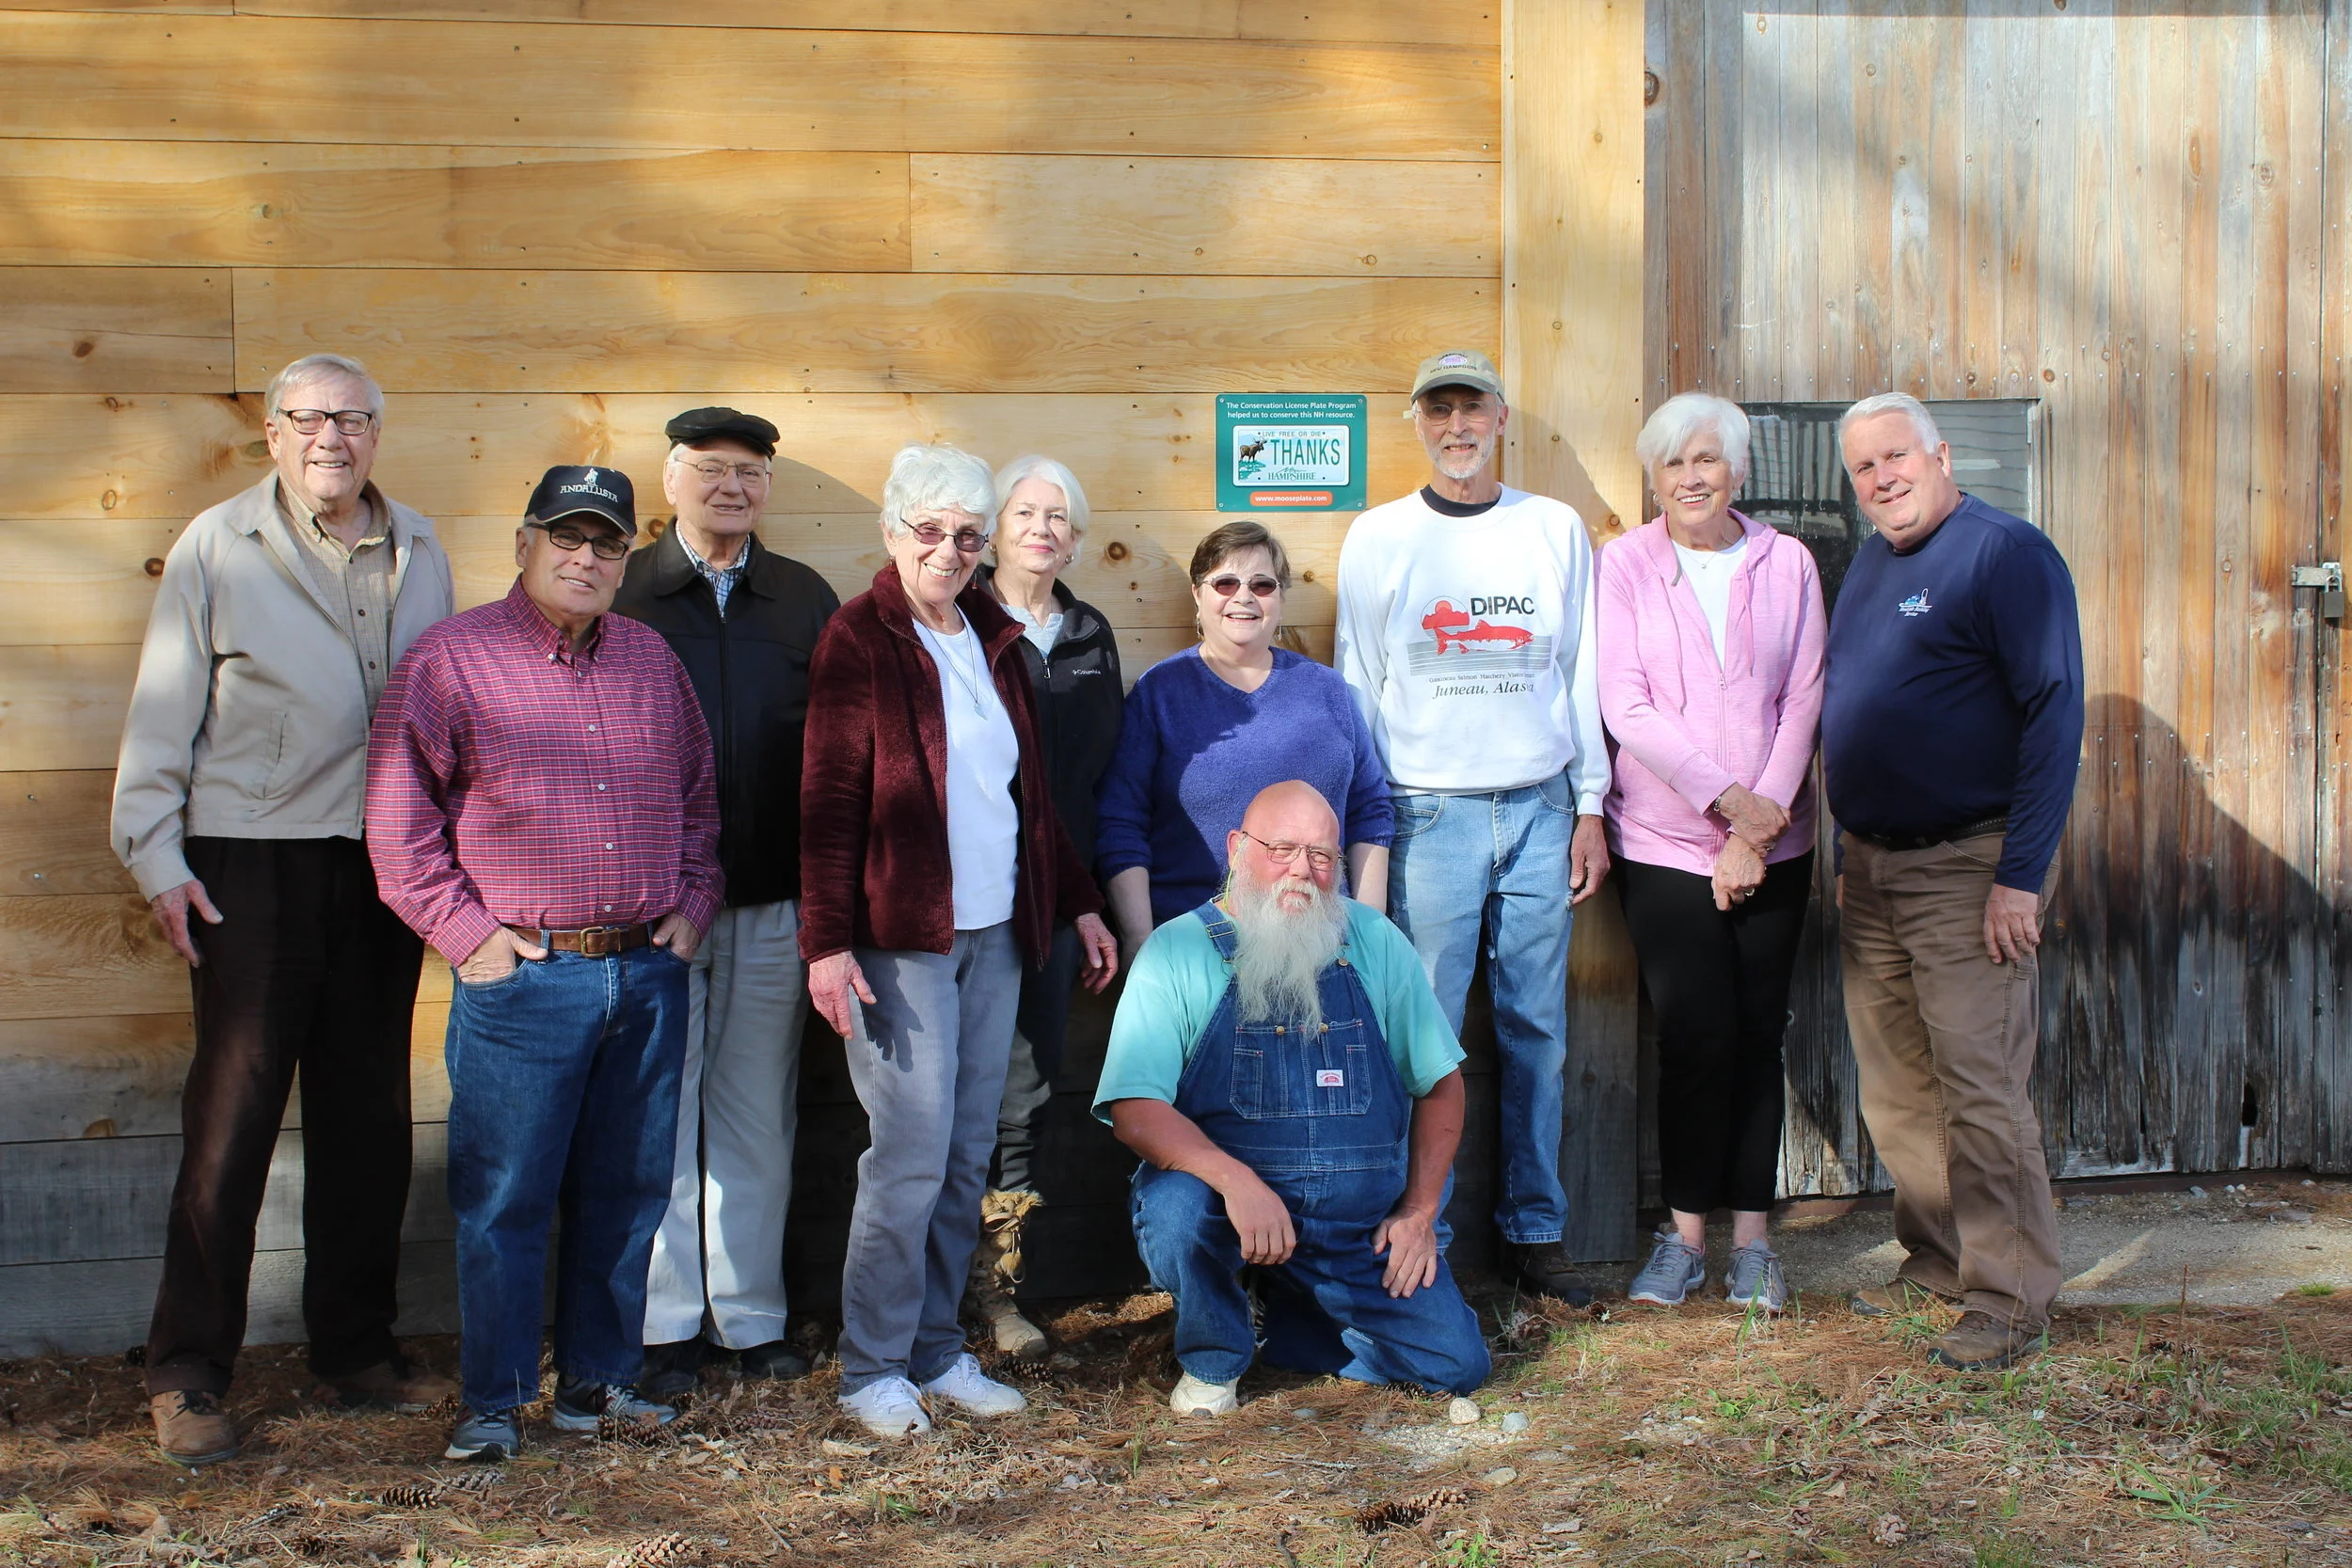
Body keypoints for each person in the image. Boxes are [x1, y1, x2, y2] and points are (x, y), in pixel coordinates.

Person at [110, 353, 457, 1465]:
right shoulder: (221, 543)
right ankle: (187, 1371)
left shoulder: (423, 547)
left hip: (384, 868)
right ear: (272, 433)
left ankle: (354, 1349)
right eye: (308, 419)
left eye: (352, 419)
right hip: (248, 866)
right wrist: (157, 856)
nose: (331, 439)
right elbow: (162, 712)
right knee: (233, 1118)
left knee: (368, 1119)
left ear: (374, 433)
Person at [367, 465, 722, 1460]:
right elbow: (398, 825)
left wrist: (695, 901)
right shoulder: (451, 659)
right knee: (505, 1194)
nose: (585, 557)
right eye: (565, 536)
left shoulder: (652, 660)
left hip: (647, 974)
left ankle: (597, 1387)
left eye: (606, 542)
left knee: (628, 1190)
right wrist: (466, 934)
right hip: (524, 980)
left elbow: (701, 797)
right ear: (524, 543)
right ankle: (496, 1398)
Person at [800, 444, 1119, 1440]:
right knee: (906, 1151)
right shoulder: (860, 638)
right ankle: (873, 1365)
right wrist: (826, 940)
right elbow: (828, 801)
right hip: (902, 940)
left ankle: (938, 1346)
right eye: (928, 530)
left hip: (996, 934)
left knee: (968, 1148)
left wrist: (1077, 899)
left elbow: (1029, 799)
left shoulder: (992, 632)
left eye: (966, 535)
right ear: (893, 531)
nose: (947, 549)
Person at [1334, 349, 1611, 1303]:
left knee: (1539, 1028)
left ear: (1501, 416)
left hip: (1538, 804)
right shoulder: (1378, 537)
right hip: (1426, 812)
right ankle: (1426, 1238)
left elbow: (1581, 672)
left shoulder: (1553, 528)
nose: (1457, 426)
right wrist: (1362, 826)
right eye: (1438, 409)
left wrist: (1587, 804)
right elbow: (1358, 687)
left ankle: (1535, 1231)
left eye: (1473, 407)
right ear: (1418, 421)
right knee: (1427, 1029)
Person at [1825, 392, 2084, 1371]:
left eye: (1895, 455)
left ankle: (2011, 1293)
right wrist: (1852, 855)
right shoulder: (1871, 566)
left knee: (1978, 1085)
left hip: (1970, 863)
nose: (1881, 477)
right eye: (1862, 468)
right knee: (1897, 1085)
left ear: (1938, 452)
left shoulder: (2003, 553)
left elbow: (2055, 710)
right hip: (1877, 868)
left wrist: (2020, 875)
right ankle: (1938, 1257)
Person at [1100, 782, 1488, 1415]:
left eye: (1322, 855)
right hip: (1230, 1214)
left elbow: (1442, 1083)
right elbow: (1134, 1107)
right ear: (1236, 848)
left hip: (1355, 1231)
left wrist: (1419, 1210)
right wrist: (1238, 1182)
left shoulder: (1375, 941)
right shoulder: (1177, 950)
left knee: (1456, 1364)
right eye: (1281, 848)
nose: (1302, 871)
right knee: (1175, 1212)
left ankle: (1284, 1317)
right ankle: (1215, 1353)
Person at [612, 407, 840, 1398]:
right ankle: (662, 1326)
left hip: (773, 901)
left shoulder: (802, 598)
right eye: (711, 468)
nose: (732, 486)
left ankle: (748, 1317)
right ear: (670, 480)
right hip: (655, 910)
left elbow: (838, 752)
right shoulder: (623, 592)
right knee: (659, 1114)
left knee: (754, 1114)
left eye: (751, 472)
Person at [1598, 392, 1825, 1312]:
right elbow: (1626, 704)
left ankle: (1755, 1243)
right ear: (1653, 478)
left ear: (1737, 469)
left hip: (1777, 843)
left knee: (1756, 1036)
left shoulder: (1789, 562)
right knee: (1694, 1036)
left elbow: (1804, 696)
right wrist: (1727, 807)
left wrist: (1757, 828)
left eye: (1706, 460)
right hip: (1661, 843)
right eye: (1671, 465)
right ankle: (1684, 1234)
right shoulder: (1623, 563)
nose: (1690, 479)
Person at [963, 454, 1124, 1359]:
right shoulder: (962, 619)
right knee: (949, 1093)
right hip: (969, 898)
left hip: (1057, 906)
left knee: (1025, 1091)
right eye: (1026, 510)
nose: (1042, 528)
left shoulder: (1093, 631)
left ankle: (1002, 1291)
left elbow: (1094, 782)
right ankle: (928, 1287)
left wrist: (1089, 900)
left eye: (1059, 516)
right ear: (996, 525)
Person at [1096, 519, 1392, 955]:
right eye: (1225, 582)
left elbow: (1371, 811)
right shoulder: (1159, 693)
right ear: (1197, 595)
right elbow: (1121, 820)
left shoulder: (1329, 691)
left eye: (1263, 584)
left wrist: (1371, 933)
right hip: (1194, 944)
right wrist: (1140, 940)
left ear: (1281, 598)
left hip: (1323, 941)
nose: (1244, 596)